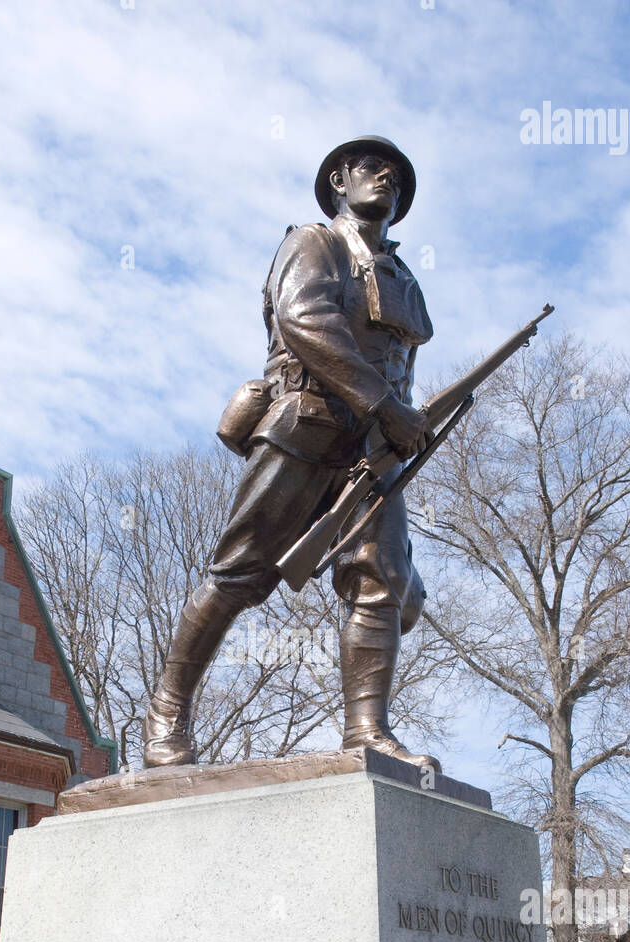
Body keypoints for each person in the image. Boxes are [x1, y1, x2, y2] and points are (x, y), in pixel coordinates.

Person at [143, 135, 441, 772]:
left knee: (381, 581)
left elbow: (403, 367)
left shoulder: (402, 277)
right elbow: (305, 320)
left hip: (373, 451)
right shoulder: (314, 243)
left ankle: (366, 729)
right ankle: (166, 712)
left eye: (398, 177)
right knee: (238, 575)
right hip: (306, 424)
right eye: (372, 169)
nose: (386, 178)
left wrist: (400, 428)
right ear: (340, 180)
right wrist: (384, 405)